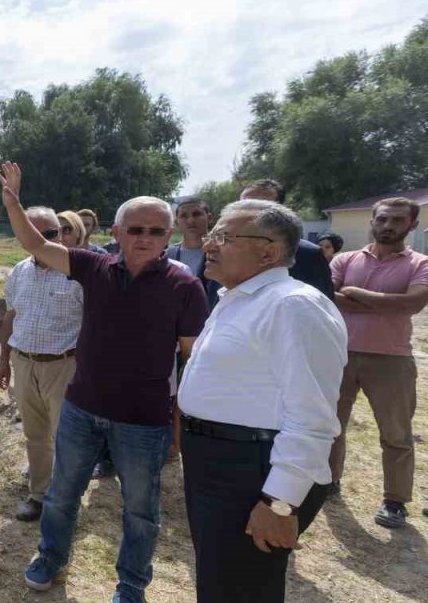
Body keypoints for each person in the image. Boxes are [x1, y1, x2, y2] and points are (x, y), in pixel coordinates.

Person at [0, 163, 209, 603]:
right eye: (135, 229)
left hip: (143, 420)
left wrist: (180, 421)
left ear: (168, 236)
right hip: (81, 408)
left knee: (140, 511)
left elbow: (193, 360)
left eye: (155, 230)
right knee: (61, 495)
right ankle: (49, 558)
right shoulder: (93, 268)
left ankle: (131, 585)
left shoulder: (185, 288)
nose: (145, 237)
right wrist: (12, 200)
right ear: (117, 230)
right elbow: (34, 242)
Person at [178, 199, 345, 603]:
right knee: (221, 582)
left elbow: (313, 416)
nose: (208, 245)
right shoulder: (236, 297)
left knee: (241, 588)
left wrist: (280, 503)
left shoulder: (293, 306)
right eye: (211, 235)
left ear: (269, 251)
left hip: (254, 470)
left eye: (223, 237)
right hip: (219, 461)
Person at [328, 197, 428, 528]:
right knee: (330, 425)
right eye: (383, 219)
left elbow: (413, 304)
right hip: (339, 354)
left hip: (391, 359)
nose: (389, 226)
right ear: (373, 220)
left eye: (398, 221)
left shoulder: (420, 264)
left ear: (411, 225)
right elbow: (329, 296)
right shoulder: (346, 259)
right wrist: (387, 303)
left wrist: (355, 292)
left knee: (395, 433)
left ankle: (395, 500)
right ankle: (329, 481)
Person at [0, 207, 84, 522]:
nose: (42, 240)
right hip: (24, 362)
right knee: (35, 435)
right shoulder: (19, 271)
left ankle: (66, 502)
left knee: (67, 438)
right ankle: (39, 495)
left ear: (61, 234)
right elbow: (10, 317)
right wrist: (4, 360)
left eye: (49, 234)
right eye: (33, 234)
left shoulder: (79, 273)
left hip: (64, 366)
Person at [240, 180, 334, 300]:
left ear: (281, 211)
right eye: (243, 207)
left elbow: (322, 304)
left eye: (260, 207)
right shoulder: (225, 251)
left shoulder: (307, 255)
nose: (250, 213)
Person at [165, 197, 221, 310]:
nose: (191, 220)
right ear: (176, 222)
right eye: (184, 216)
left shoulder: (223, 253)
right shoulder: (166, 256)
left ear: (209, 218)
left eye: (197, 214)